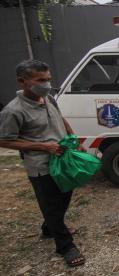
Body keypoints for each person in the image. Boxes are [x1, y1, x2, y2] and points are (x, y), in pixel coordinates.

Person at [0, 60, 86, 267]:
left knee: (64, 196)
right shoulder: (13, 111)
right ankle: (65, 246)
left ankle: (49, 228)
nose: (47, 84)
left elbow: (60, 118)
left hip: (64, 159)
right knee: (52, 205)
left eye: (48, 79)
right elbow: (4, 140)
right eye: (40, 80)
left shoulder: (47, 99)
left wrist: (74, 138)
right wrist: (44, 147)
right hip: (41, 166)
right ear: (22, 82)